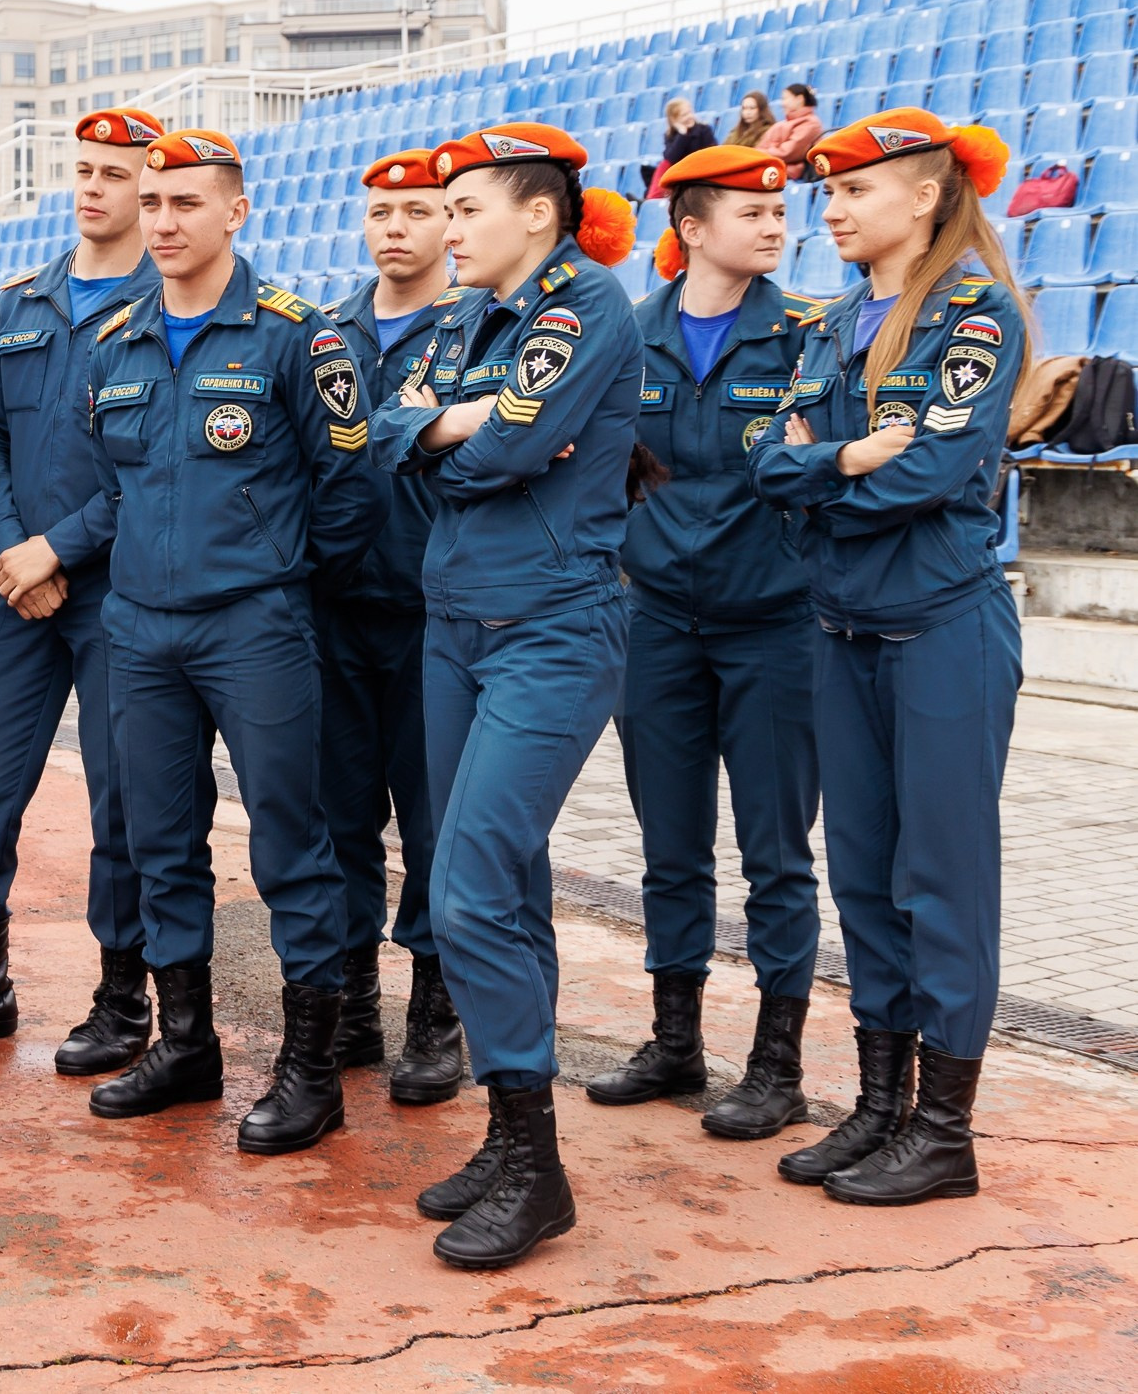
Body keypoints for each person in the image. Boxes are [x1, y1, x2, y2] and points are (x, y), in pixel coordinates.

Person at [80, 128, 381, 1155]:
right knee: (158, 841)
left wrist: (279, 573)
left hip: (256, 623)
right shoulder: (114, 337)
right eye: (151, 202)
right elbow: (108, 478)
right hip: (139, 629)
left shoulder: (298, 337)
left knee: (292, 842)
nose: (162, 222)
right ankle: (186, 1041)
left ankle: (309, 1068)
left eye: (184, 204)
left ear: (235, 213)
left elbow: (349, 487)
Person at [372, 122, 641, 1269]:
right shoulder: (463, 318)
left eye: (467, 208)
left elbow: (499, 457)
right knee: (503, 880)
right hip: (453, 619)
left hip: (551, 623)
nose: (447, 228)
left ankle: (539, 1166)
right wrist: (452, 424)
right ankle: (505, 1129)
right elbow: (380, 433)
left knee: (467, 878)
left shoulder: (586, 308)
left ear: (536, 213)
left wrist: (454, 429)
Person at [749, 107, 1027, 1207]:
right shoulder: (826, 324)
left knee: (942, 883)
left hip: (942, 632)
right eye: (828, 193)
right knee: (863, 877)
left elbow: (930, 473)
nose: (834, 209)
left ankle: (944, 1129)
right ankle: (878, 1103)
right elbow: (765, 463)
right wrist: (838, 466)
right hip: (843, 629)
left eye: (855, 190)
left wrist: (831, 475)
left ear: (923, 195)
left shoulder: (973, 313)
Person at [0, 108, 215, 1073]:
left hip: (123, 593)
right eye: (82, 170)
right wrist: (11, 550)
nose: (94, 188)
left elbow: (157, 467)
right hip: (22, 591)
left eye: (116, 175)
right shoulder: (23, 301)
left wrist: (58, 552)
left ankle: (123, 1001)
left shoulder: (166, 309)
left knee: (126, 802)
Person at [589, 147, 822, 1140]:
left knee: (775, 851)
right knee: (667, 844)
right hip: (655, 622)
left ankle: (776, 1062)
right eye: (749, 211)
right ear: (690, 228)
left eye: (779, 210)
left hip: (772, 623)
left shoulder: (808, 338)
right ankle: (673, 1037)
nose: (774, 225)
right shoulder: (627, 339)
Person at [315, 149, 467, 1106]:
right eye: (382, 214)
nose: (397, 229)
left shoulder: (479, 332)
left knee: (435, 821)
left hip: (432, 611)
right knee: (340, 821)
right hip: (332, 607)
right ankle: (353, 1002)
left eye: (418, 211)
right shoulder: (325, 333)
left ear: (452, 223)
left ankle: (434, 1011)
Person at [758, 86, 824, 179]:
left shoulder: (811, 123)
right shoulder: (781, 124)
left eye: (785, 98)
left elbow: (787, 153)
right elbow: (761, 147)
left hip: (787, 171)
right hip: (772, 168)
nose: (782, 103)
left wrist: (763, 152)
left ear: (799, 99)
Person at [656, 100, 718, 182]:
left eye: (690, 112)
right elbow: (670, 158)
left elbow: (712, 154)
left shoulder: (704, 130)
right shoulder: (671, 136)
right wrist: (682, 134)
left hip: (703, 174)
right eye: (684, 115)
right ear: (674, 120)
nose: (689, 116)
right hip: (682, 177)